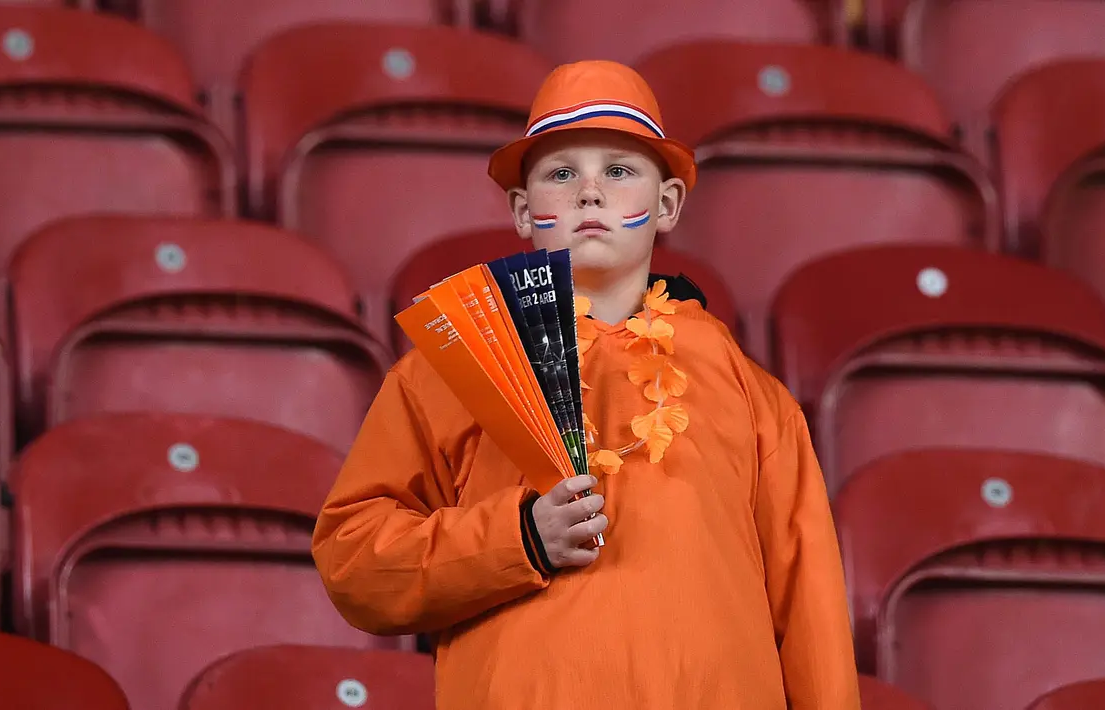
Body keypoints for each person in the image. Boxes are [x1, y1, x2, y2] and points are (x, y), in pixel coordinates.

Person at [312, 60, 861, 710]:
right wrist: (515, 539)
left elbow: (811, 614)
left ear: (666, 205)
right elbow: (352, 560)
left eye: (619, 170)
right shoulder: (450, 369)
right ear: (523, 209)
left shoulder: (751, 393)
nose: (589, 192)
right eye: (561, 172)